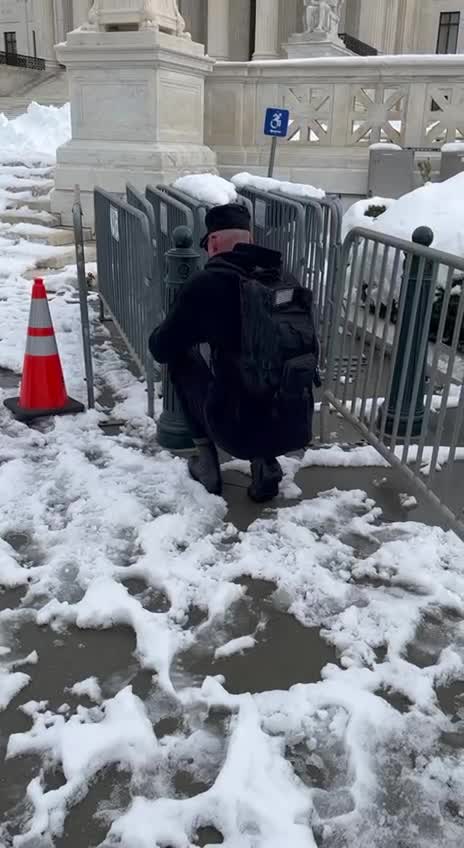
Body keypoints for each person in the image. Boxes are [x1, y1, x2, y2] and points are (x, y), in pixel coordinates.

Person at [149, 203, 319, 502]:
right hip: (295, 422)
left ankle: (207, 465)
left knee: (180, 357)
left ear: (212, 243)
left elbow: (162, 348)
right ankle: (265, 462)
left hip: (236, 429)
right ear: (250, 239)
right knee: (259, 370)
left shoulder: (208, 283)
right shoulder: (284, 278)